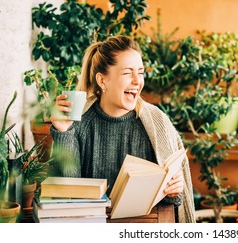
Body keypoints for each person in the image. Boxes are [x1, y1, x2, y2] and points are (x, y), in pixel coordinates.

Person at [50, 35, 195, 223]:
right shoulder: (79, 124)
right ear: (102, 80)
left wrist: (174, 189)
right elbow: (68, 196)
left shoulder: (156, 123)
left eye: (141, 72)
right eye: (128, 73)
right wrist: (63, 132)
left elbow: (171, 202)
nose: (137, 81)